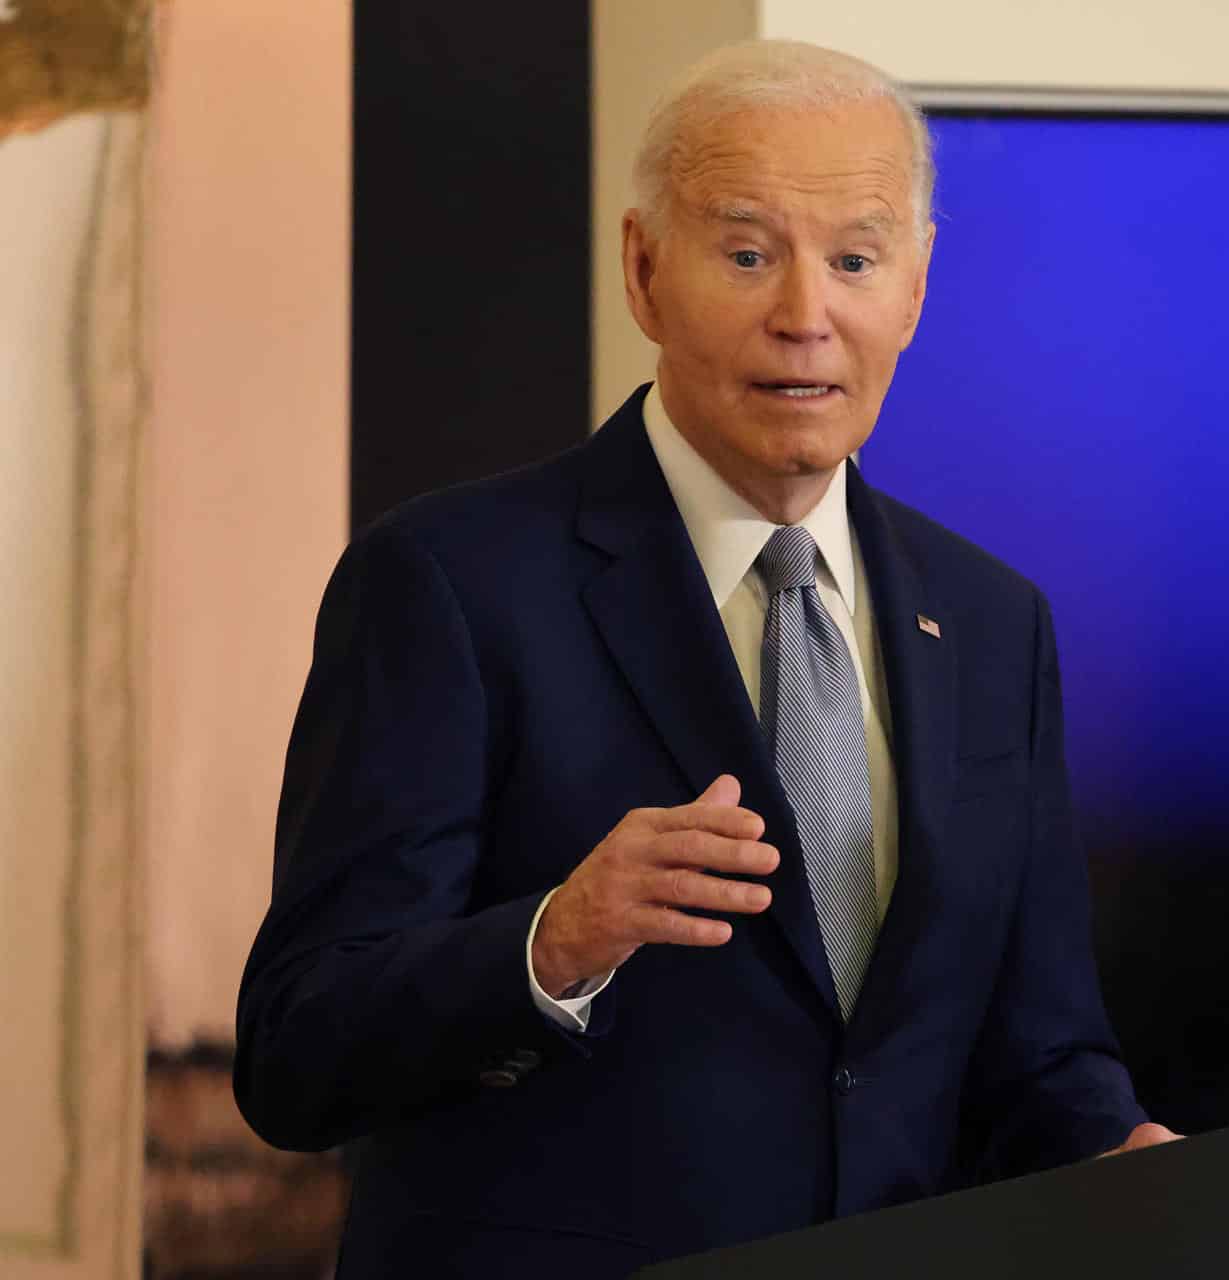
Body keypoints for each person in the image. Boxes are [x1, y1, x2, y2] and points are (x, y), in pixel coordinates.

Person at [234, 38, 1174, 1276]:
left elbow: (1037, 1055)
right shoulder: (453, 581)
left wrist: (1122, 1150)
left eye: (854, 259)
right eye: (746, 252)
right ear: (643, 270)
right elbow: (300, 1049)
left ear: (916, 288)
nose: (804, 314)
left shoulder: (995, 623)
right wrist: (552, 940)